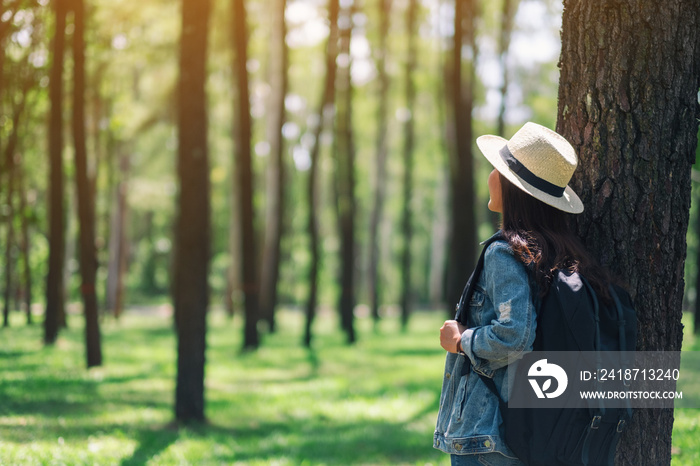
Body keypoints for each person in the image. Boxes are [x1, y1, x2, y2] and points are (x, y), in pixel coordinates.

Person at [434, 122, 611, 466]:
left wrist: (461, 340)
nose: (490, 175)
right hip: (525, 432)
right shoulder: (557, 253)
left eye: (497, 169)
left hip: (487, 435)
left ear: (512, 188)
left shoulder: (504, 253)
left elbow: (515, 335)